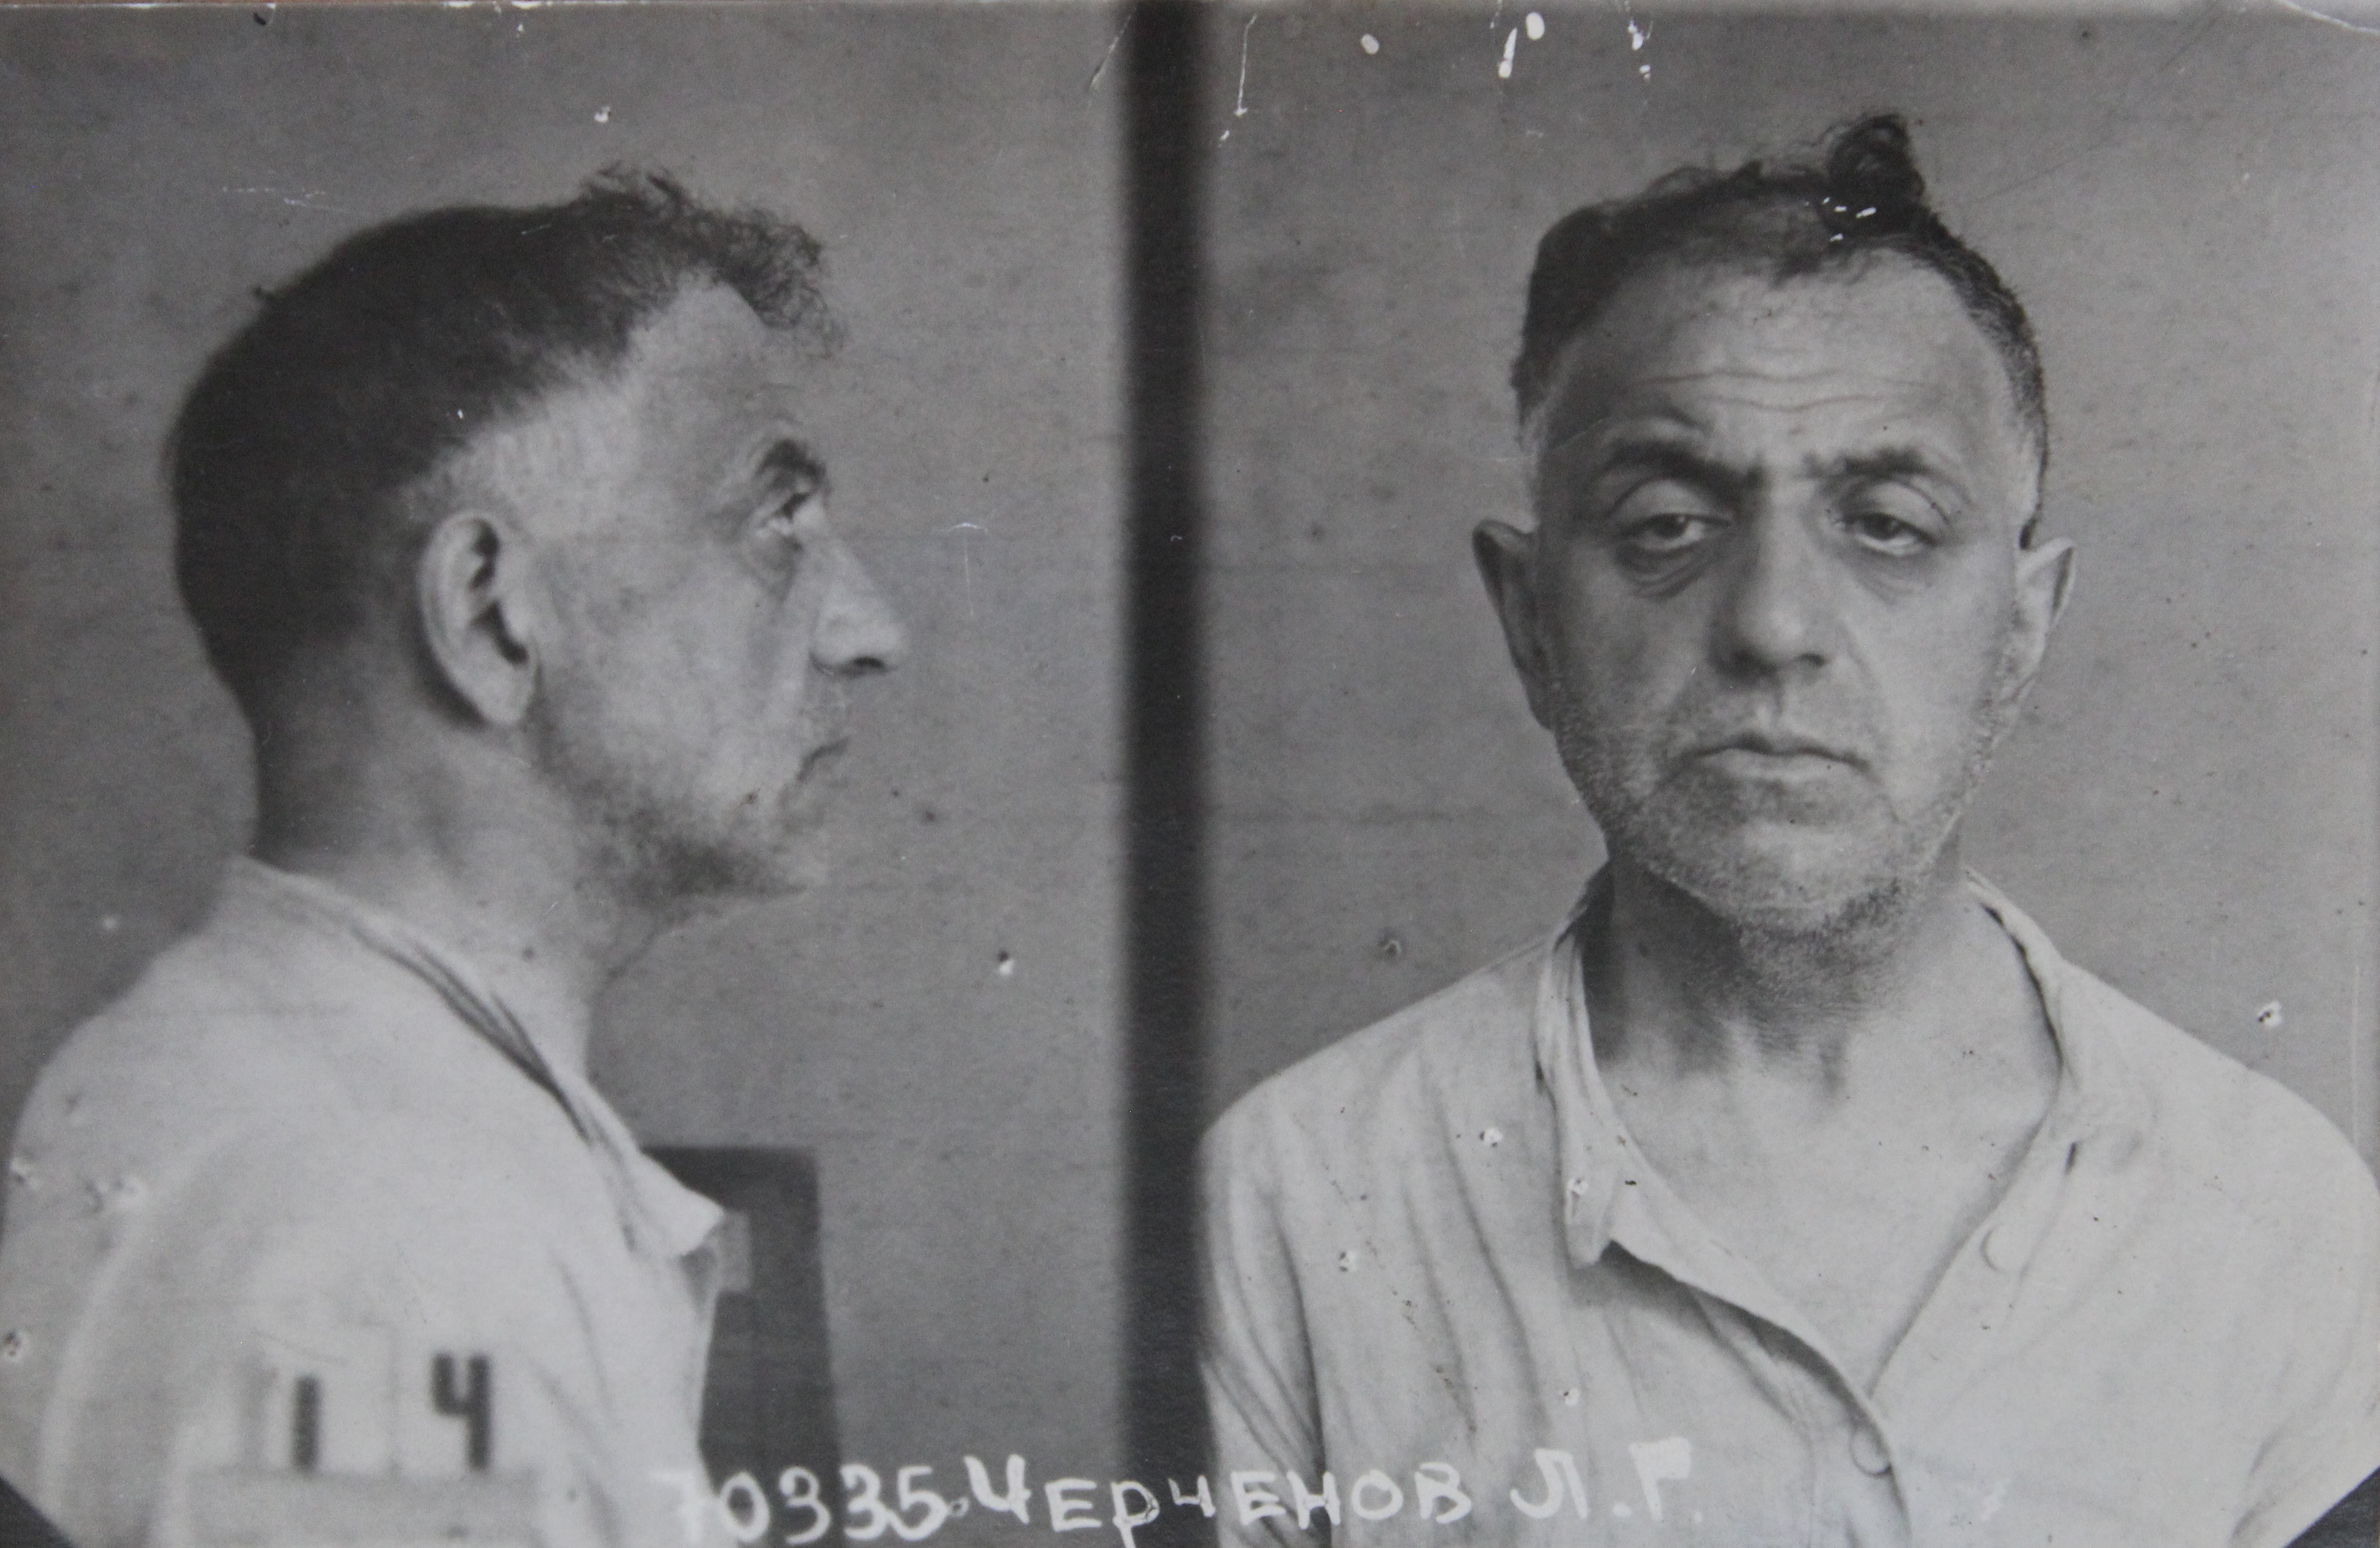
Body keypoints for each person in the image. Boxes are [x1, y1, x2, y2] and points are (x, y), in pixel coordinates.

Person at [1198, 115, 2380, 1547]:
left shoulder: (2276, 1212)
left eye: (1886, 525)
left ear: (2022, 630)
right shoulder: (1298, 1195)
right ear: (1529, 619)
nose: (1770, 624)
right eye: (1666, 524)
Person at [0, 171, 906, 1548]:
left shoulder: (240, 1075)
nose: (871, 630)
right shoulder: (390, 1250)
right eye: (776, 525)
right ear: (490, 615)